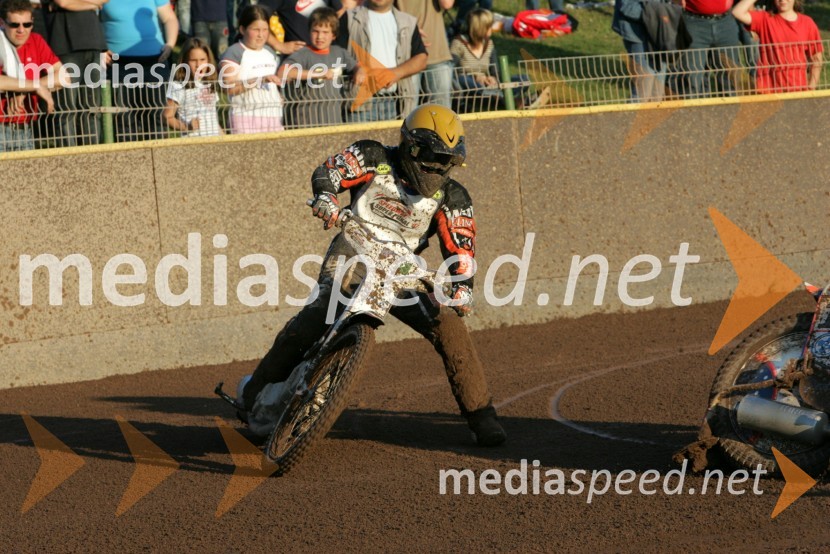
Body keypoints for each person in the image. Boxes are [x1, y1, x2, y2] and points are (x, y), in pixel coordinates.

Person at [241, 104, 507, 447]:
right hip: (353, 246)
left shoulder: (453, 196)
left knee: (449, 326)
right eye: (434, 159)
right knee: (317, 313)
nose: (439, 168)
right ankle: (253, 394)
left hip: (403, 269)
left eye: (448, 162)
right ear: (412, 147)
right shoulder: (374, 155)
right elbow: (330, 171)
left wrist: (461, 289)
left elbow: (462, 250)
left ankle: (482, 417)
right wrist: (325, 195)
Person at [336, 0, 427, 122]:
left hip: (398, 104)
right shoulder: (349, 17)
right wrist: (357, 67)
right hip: (360, 105)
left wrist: (395, 73)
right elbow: (336, 53)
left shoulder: (408, 21)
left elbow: (421, 58)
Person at [101, 0, 180, 141]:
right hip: (118, 64)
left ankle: (159, 157)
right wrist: (100, 48)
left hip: (155, 62)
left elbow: (169, 18)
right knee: (124, 118)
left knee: (156, 117)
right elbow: (91, 20)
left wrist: (170, 44)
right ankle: (128, 159)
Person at [278, 7, 363, 127]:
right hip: (305, 122)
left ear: (334, 35)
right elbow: (282, 73)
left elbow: (358, 66)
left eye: (325, 32)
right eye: (315, 31)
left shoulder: (340, 52)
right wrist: (318, 74)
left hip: (333, 121)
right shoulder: (303, 53)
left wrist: (359, 71)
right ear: (309, 31)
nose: (319, 37)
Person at [0, 0, 66, 152]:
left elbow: (63, 76)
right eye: (14, 25)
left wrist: (24, 91)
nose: (21, 30)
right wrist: (35, 86)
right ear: (2, 23)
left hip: (26, 128)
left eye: (27, 24)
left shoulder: (36, 40)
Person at [44, 0, 109, 146]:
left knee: (92, 108)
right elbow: (64, 2)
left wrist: (78, 3)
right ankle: (68, 158)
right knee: (67, 110)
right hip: (65, 45)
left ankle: (93, 155)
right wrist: (93, 4)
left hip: (93, 43)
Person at [732, 0, 822, 92]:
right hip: (768, 91)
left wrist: (811, 87)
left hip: (797, 90)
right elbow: (737, 12)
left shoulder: (807, 23)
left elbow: (816, 58)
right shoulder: (765, 19)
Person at [220, 4, 283, 134]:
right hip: (245, 118)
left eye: (265, 30)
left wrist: (278, 96)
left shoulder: (270, 52)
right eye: (255, 29)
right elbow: (229, 88)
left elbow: (272, 83)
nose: (261, 35)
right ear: (242, 29)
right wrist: (259, 80)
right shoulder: (234, 53)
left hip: (274, 116)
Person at [397, 0, 454, 108]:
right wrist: (410, 29)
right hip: (407, 55)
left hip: (437, 51)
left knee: (441, 112)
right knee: (409, 111)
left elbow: (447, 3)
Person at [680, 0, 743, 98]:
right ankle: (693, 111)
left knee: (730, 77)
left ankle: (731, 109)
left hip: (725, 21)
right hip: (694, 21)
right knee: (692, 77)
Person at [164, 37, 222, 136]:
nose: (198, 65)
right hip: (193, 142)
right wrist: (186, 127)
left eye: (202, 60)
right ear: (185, 62)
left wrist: (224, 137)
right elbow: (167, 117)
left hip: (214, 140)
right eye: (193, 60)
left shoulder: (209, 84)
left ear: (209, 61)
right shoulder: (178, 86)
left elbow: (213, 118)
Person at [611, 0, 667, 102]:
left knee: (657, 91)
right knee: (642, 89)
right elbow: (627, 7)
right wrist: (654, 15)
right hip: (637, 34)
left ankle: (651, 115)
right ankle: (631, 115)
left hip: (658, 34)